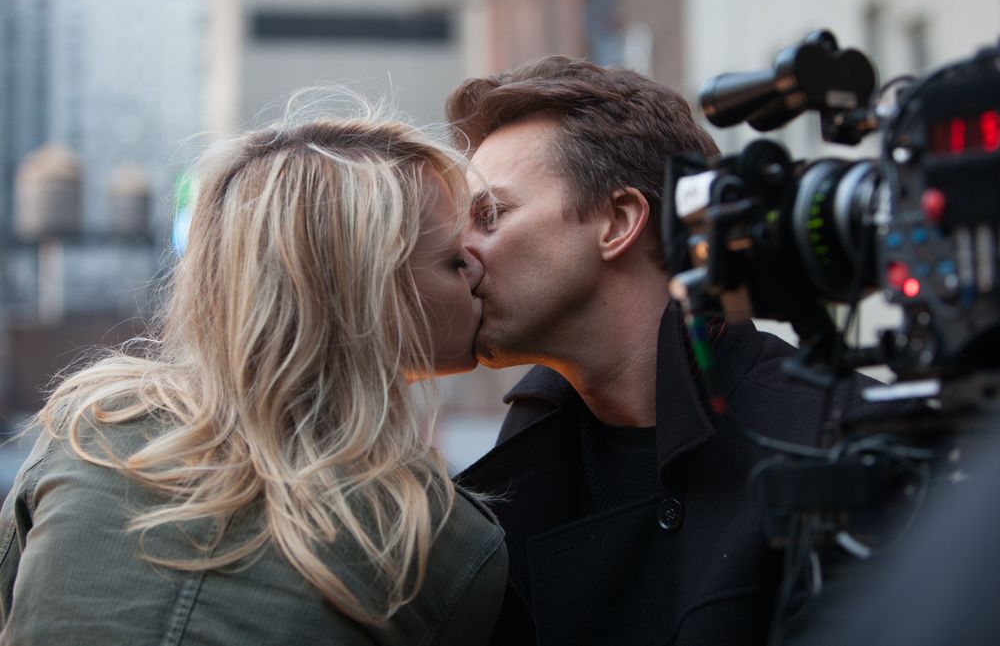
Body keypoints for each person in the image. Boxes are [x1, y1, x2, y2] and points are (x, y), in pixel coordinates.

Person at [0, 112, 507, 645]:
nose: (477, 268)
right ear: (370, 293)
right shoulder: (443, 540)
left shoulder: (89, 429)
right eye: (453, 259)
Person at [447, 56, 854, 645]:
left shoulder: (835, 442)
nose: (459, 253)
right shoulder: (524, 457)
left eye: (489, 216)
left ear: (618, 220)